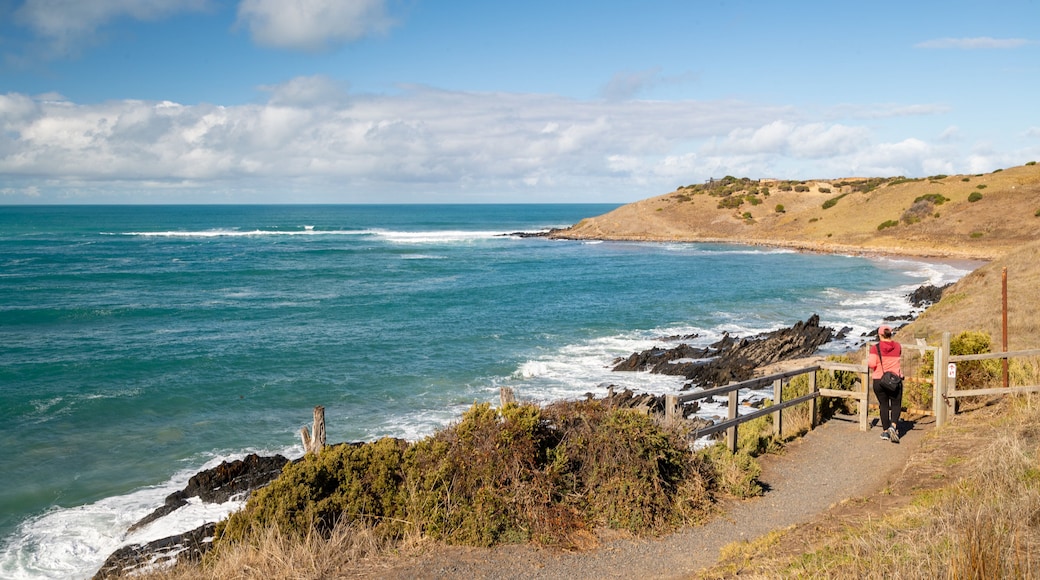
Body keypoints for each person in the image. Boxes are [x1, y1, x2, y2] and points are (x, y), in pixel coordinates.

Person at [868, 325, 903, 442]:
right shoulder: (897, 346)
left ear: (880, 335)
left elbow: (871, 364)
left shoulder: (875, 348)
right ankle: (893, 426)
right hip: (895, 380)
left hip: (880, 380)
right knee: (896, 404)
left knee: (883, 405)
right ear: (890, 334)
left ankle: (885, 432)